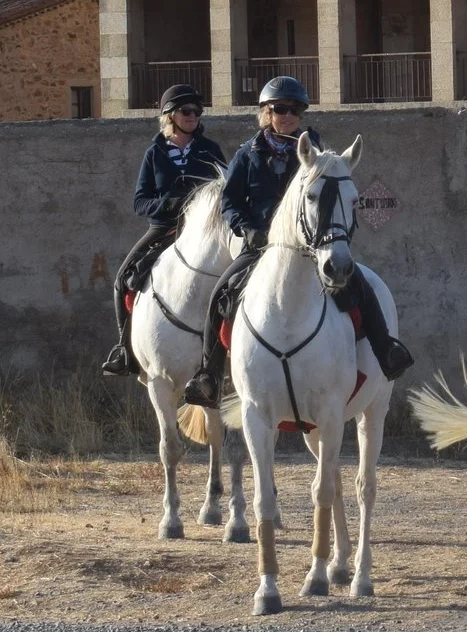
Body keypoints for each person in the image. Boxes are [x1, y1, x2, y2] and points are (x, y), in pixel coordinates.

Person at [182, 75, 413, 406]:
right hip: (261, 244)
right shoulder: (247, 154)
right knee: (224, 289)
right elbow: (230, 202)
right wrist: (247, 229)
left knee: (359, 283)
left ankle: (385, 349)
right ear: (267, 112)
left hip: (310, 245)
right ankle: (209, 374)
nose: (288, 115)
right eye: (280, 108)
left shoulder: (319, 156)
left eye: (295, 109)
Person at [100, 83, 226, 377]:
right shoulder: (154, 153)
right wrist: (170, 204)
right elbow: (140, 202)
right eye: (186, 111)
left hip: (204, 233)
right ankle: (125, 351)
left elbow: (227, 191)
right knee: (121, 280)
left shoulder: (210, 150)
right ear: (169, 115)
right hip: (164, 229)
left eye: (197, 111)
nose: (193, 115)